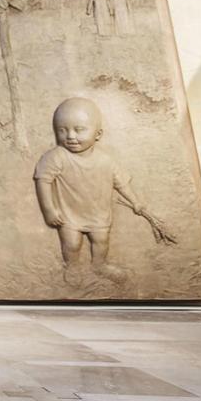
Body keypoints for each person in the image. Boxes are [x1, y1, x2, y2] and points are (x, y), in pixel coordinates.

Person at [34, 98, 144, 283]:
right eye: (62, 130)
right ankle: (73, 266)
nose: (70, 136)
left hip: (98, 214)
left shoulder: (106, 160)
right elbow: (43, 181)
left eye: (79, 130)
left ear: (98, 133)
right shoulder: (56, 157)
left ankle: (99, 265)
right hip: (69, 215)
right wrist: (49, 210)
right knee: (72, 244)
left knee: (101, 241)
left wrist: (135, 201)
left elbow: (122, 184)